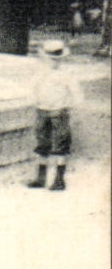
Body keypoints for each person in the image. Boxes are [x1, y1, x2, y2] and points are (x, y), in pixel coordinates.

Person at [27, 39, 83, 190]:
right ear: (44, 59)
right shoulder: (40, 73)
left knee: (61, 144)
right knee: (42, 142)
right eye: (51, 59)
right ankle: (41, 177)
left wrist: (70, 105)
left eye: (57, 59)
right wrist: (34, 101)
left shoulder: (66, 74)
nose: (54, 62)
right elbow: (32, 89)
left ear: (62, 60)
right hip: (42, 110)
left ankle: (59, 179)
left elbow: (77, 94)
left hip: (59, 111)